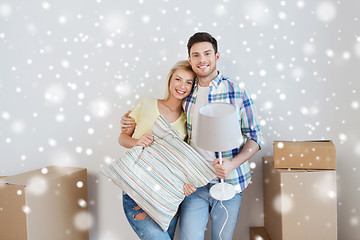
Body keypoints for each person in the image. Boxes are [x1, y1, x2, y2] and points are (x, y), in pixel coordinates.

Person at [122, 32, 262, 240]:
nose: (202, 59)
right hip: (193, 184)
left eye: (207, 53)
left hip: (230, 182)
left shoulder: (236, 91)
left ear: (216, 56)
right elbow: (168, 123)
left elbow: (254, 137)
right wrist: (129, 122)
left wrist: (232, 164)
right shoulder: (187, 91)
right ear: (190, 59)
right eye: (195, 55)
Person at [118, 60, 197, 240]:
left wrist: (186, 182)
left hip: (168, 194)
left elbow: (183, 160)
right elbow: (122, 138)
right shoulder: (145, 103)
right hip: (137, 187)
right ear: (170, 80)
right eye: (178, 79)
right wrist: (138, 141)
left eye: (188, 82)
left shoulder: (188, 120)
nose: (182, 86)